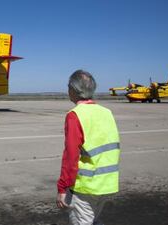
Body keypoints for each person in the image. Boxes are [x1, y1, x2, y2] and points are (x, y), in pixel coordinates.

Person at [56, 70, 120, 225]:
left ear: (74, 89)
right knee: (93, 220)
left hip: (86, 186)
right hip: (107, 183)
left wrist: (62, 188)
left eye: (69, 87)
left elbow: (71, 156)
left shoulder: (75, 115)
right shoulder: (107, 112)